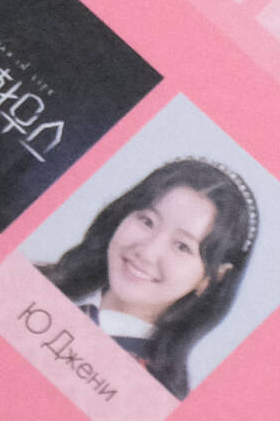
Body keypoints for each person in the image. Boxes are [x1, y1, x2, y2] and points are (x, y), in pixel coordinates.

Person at [37, 158, 259, 400]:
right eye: (147, 221)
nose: (146, 252)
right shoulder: (32, 282)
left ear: (212, 278)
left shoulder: (152, 397)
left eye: (182, 246)